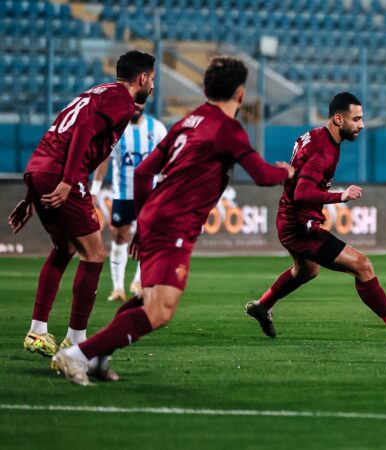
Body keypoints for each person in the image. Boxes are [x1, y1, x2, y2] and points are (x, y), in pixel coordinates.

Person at [51, 56, 294, 385]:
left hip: (155, 216)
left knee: (147, 299)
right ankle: (76, 356)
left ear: (205, 90)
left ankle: (98, 358)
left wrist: (143, 222)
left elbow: (142, 173)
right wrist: (287, 172)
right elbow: (263, 176)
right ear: (240, 93)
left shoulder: (188, 121)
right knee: (160, 310)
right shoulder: (227, 129)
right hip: (174, 223)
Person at [245, 92, 386, 344]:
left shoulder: (314, 135)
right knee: (362, 265)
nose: (361, 125)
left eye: (361, 118)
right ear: (338, 119)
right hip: (300, 227)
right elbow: (302, 193)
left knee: (306, 271)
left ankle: (262, 306)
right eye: (356, 119)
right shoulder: (323, 151)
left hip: (288, 218)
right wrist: (341, 195)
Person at [9, 50, 156, 358]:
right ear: (142, 78)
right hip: (61, 174)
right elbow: (84, 131)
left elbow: (58, 133)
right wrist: (67, 180)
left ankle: (38, 331)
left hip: (40, 168)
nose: (153, 86)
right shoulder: (122, 101)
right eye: (152, 79)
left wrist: (32, 192)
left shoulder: (95, 92)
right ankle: (76, 341)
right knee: (94, 253)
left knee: (64, 248)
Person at [91, 102, 167, 302]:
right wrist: (95, 190)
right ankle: (118, 288)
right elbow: (104, 160)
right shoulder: (117, 130)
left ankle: (138, 281)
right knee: (120, 238)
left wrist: (164, 187)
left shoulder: (157, 128)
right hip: (123, 194)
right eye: (134, 103)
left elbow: (167, 161)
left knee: (149, 239)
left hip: (150, 195)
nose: (137, 107)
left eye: (141, 103)